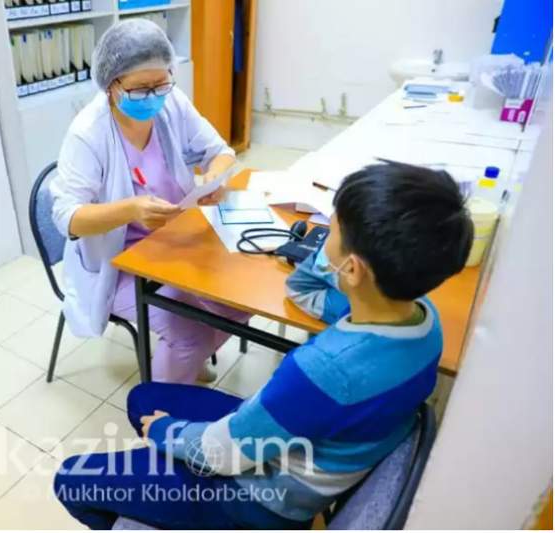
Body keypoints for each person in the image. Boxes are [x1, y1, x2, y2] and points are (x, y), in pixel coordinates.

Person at [53, 161, 474, 529]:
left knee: (72, 479)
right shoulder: (424, 321)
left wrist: (167, 432)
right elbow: (304, 291)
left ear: (353, 269)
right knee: (143, 398)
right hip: (307, 456)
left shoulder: (323, 370)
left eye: (332, 228)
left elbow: (220, 455)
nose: (323, 230)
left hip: (260, 500)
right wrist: (332, 256)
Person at [50, 19, 249, 384]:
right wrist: (132, 209)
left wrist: (212, 179)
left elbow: (219, 151)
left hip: (175, 240)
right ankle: (162, 408)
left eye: (161, 83)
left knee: (239, 299)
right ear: (111, 84)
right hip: (119, 264)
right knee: (190, 334)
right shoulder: (88, 134)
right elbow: (67, 217)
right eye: (141, 88)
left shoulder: (171, 103)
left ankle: (189, 361)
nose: (154, 96)